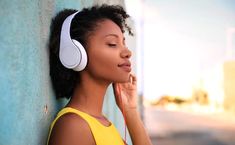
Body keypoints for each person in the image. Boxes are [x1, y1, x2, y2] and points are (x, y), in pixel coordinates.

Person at [47, 4, 152, 145]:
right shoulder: (74, 127)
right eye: (112, 44)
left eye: (124, 43)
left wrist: (130, 110)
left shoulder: (101, 123)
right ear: (76, 54)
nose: (127, 52)